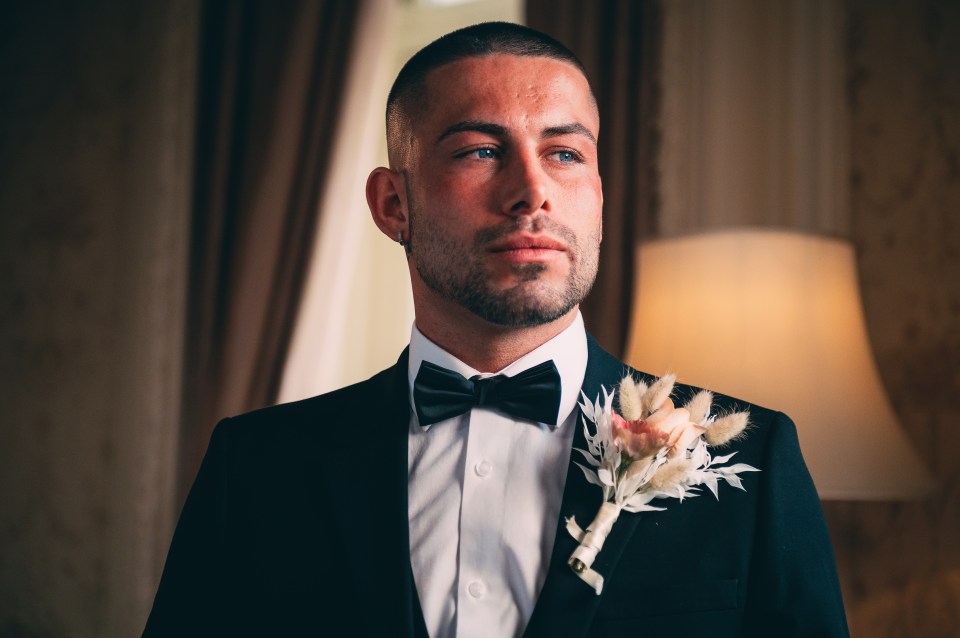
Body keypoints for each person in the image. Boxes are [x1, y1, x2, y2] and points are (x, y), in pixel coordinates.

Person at [143, 22, 849, 638]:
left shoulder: (756, 462)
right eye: (480, 151)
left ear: (599, 195)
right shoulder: (256, 469)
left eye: (566, 154)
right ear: (394, 204)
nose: (532, 190)